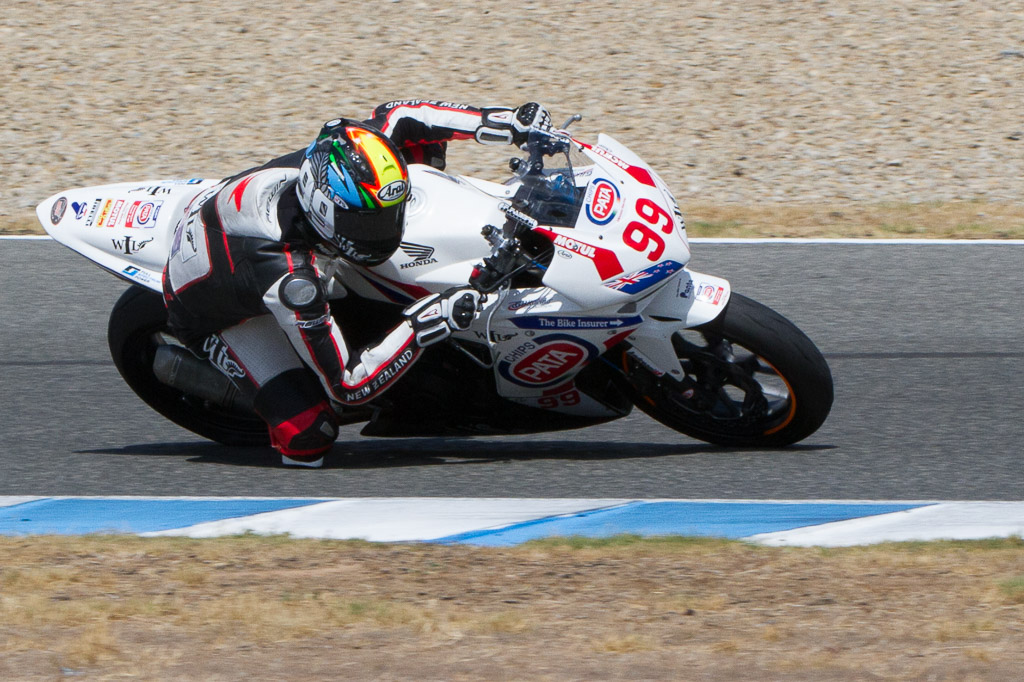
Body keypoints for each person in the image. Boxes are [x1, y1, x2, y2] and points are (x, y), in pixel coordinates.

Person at [162, 100, 552, 467]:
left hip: (234, 219)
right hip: (215, 313)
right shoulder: (293, 280)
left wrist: (507, 122)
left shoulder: (337, 159)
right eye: (368, 224)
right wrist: (427, 322)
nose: (387, 231)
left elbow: (401, 114)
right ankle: (227, 384)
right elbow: (348, 386)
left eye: (389, 215)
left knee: (419, 142)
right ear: (323, 210)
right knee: (310, 435)